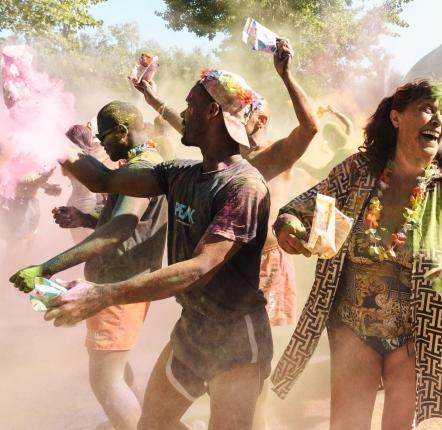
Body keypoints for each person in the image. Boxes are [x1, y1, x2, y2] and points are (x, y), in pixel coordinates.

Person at [27, 69, 272, 430]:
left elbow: (200, 267)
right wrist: (41, 130)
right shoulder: (181, 174)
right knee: (151, 424)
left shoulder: (244, 186)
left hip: (235, 338)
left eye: (191, 104)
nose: (182, 113)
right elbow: (102, 178)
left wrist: (103, 295)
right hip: (192, 330)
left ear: (212, 113)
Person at [271, 79, 442, 429]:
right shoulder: (357, 171)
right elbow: (294, 210)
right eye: (427, 109)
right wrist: (289, 228)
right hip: (353, 325)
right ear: (397, 118)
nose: (438, 120)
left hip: (419, 331)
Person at [134, 39, 318, 429]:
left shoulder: (270, 159)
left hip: (258, 272)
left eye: (258, 115)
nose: (253, 120)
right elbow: (188, 125)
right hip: (216, 277)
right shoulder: (217, 162)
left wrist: (286, 75)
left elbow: (309, 128)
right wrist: (152, 100)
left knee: (247, 375)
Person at [11, 101, 168, 430]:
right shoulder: (139, 163)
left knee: (105, 382)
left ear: (122, 132)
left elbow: (120, 229)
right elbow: (122, 214)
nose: (103, 144)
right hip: (114, 287)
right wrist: (86, 217)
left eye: (105, 136)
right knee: (115, 370)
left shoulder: (141, 169)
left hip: (116, 290)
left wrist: (48, 267)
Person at [57, 124, 109, 243]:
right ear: (86, 139)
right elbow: (104, 152)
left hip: (73, 203)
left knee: (79, 246)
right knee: (92, 247)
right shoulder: (91, 159)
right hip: (88, 206)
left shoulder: (67, 160)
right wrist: (91, 134)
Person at [297, 104, 355, 179]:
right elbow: (348, 124)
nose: (328, 145)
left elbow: (321, 175)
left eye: (327, 140)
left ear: (332, 136)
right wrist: (335, 112)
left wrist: (302, 165)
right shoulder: (349, 139)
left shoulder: (340, 155)